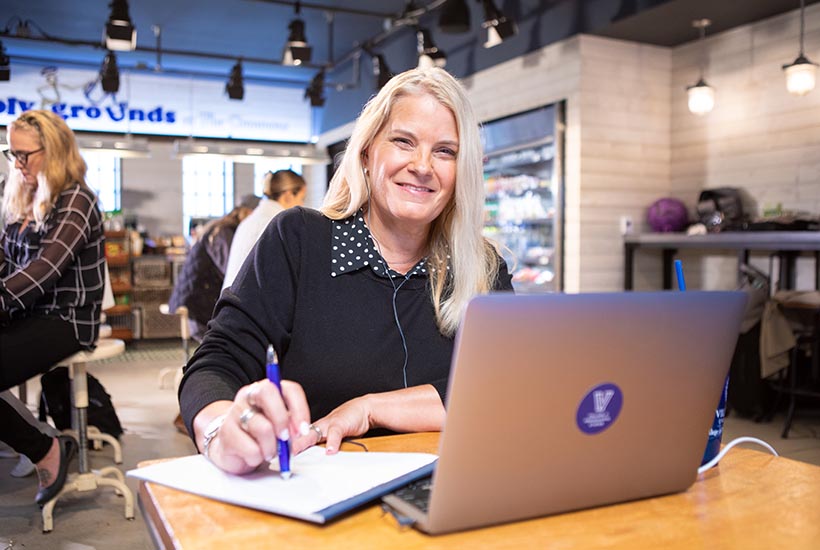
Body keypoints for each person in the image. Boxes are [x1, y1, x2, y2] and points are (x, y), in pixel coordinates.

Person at [179, 67, 513, 475]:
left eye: (445, 151)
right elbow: (217, 362)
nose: (423, 165)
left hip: (452, 485)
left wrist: (371, 408)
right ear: (367, 153)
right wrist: (219, 430)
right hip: (318, 488)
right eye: (404, 142)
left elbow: (505, 387)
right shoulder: (301, 240)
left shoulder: (481, 267)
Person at [0, 109, 105, 504]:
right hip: (28, 313)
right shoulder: (23, 197)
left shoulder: (77, 200)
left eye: (24, 155)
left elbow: (44, 270)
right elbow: (6, 260)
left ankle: (45, 449)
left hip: (67, 318)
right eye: (12, 154)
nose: (17, 164)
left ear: (55, 151)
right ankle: (44, 444)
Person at [169, 194, 260, 342]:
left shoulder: (221, 228)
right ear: (249, 212)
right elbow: (231, 269)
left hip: (196, 298)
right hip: (197, 302)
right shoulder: (223, 232)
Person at [221, 169, 307, 290]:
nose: (302, 205)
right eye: (302, 198)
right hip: (247, 297)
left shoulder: (256, 218)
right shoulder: (275, 223)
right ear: (288, 195)